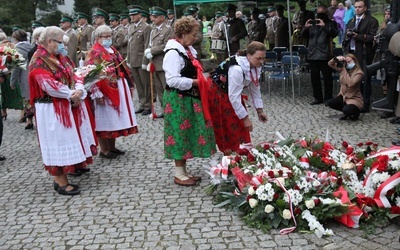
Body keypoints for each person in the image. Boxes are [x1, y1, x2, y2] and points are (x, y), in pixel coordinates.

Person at [28, 26, 95, 195]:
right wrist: (72, 93)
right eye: (60, 42)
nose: (63, 45)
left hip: (63, 104)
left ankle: (62, 178)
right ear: (49, 41)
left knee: (64, 140)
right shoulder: (39, 60)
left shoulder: (57, 57)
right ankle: (61, 181)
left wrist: (79, 88)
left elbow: (73, 74)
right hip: (50, 107)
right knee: (56, 141)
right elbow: (49, 85)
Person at [163, 16, 216, 186]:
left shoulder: (187, 49)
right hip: (178, 99)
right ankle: (179, 173)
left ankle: (184, 171)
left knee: (187, 132)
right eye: (193, 34)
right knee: (179, 133)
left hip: (189, 97)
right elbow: (172, 80)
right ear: (183, 34)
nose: (195, 37)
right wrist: (197, 82)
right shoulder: (172, 53)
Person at [85, 25, 138, 159]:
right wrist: (96, 92)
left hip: (117, 84)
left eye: (110, 36)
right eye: (105, 36)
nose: (109, 38)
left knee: (114, 118)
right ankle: (104, 149)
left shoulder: (112, 50)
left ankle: (112, 146)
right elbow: (90, 73)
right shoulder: (94, 52)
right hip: (104, 89)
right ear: (97, 38)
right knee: (105, 118)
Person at [206, 41, 268, 155]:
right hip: (217, 91)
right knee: (228, 120)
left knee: (238, 119)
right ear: (248, 56)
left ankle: (241, 150)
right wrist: (245, 119)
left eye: (263, 58)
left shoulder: (255, 66)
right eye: (258, 58)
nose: (261, 62)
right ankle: (230, 152)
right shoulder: (237, 68)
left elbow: (255, 89)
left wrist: (260, 111)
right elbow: (234, 97)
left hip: (230, 91)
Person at [343, 0, 378, 113]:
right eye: (356, 7)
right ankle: (352, 101)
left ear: (365, 8)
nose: (357, 9)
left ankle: (365, 103)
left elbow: (372, 38)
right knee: (351, 78)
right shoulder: (351, 21)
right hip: (351, 53)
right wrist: (348, 37)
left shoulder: (371, 21)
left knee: (364, 79)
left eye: (360, 7)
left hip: (363, 53)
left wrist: (357, 36)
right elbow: (345, 37)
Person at [302, 4, 338, 105]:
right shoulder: (313, 24)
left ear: (326, 13)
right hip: (312, 54)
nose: (320, 15)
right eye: (318, 13)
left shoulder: (331, 23)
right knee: (314, 78)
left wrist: (324, 26)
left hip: (325, 54)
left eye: (322, 13)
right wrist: (305, 28)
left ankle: (328, 98)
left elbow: (335, 33)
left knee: (327, 78)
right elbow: (303, 36)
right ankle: (318, 98)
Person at [144, 6, 174, 118]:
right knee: (159, 89)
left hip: (163, 62)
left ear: (162, 17)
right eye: (152, 16)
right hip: (154, 63)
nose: (152, 19)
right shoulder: (153, 29)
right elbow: (150, 44)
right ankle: (164, 110)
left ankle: (171, 110)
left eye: (155, 17)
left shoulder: (168, 29)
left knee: (167, 88)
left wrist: (152, 50)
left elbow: (167, 44)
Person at [127, 5, 151, 116]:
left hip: (141, 59)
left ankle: (148, 105)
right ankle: (142, 104)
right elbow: (129, 45)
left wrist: (145, 62)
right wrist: (128, 58)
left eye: (134, 14)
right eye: (131, 15)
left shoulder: (146, 27)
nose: (132, 17)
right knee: (138, 85)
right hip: (133, 60)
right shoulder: (130, 27)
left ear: (140, 15)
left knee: (145, 84)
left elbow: (146, 45)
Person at [327, 53, 364, 120]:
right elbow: (330, 64)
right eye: (346, 62)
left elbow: (350, 83)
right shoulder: (343, 69)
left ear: (354, 61)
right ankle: (346, 111)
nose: (347, 63)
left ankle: (355, 112)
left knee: (347, 110)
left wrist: (344, 69)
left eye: (349, 61)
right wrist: (336, 59)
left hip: (354, 97)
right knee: (331, 103)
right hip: (343, 96)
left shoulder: (359, 73)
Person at [10, 29, 34, 129]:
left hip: (25, 78)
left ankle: (29, 121)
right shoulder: (32, 47)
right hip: (34, 77)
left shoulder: (17, 51)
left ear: (16, 39)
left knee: (27, 100)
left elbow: (16, 68)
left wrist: (12, 81)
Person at [0, 32, 23, 121]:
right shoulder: (13, 46)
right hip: (12, 73)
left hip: (2, 74)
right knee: (18, 93)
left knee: (3, 94)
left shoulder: (2, 47)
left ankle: (4, 112)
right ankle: (22, 114)